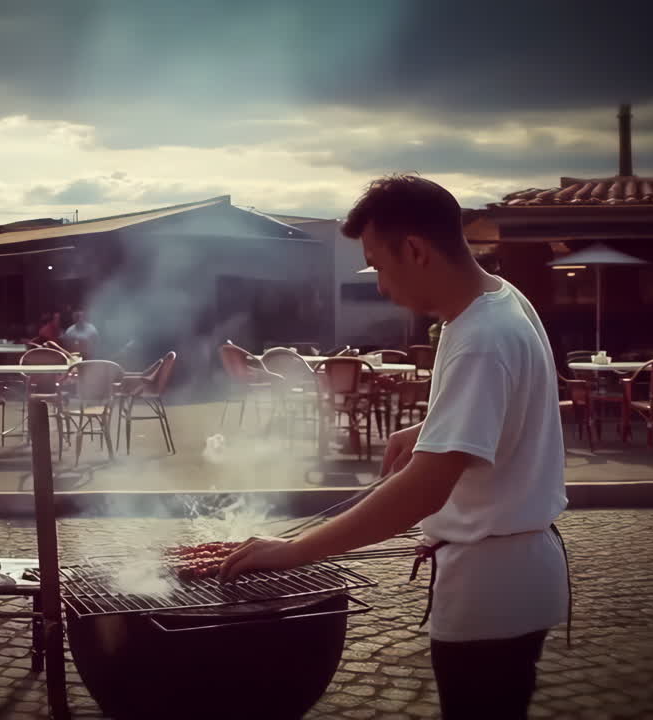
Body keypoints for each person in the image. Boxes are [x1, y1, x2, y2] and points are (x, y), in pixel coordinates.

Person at [220, 175, 570, 720]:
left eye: (378, 265)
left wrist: (296, 550)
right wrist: (434, 426)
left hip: (489, 590)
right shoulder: (499, 299)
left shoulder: (480, 338)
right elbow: (508, 402)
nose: (380, 285)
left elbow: (423, 491)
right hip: (516, 577)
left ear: (415, 249)